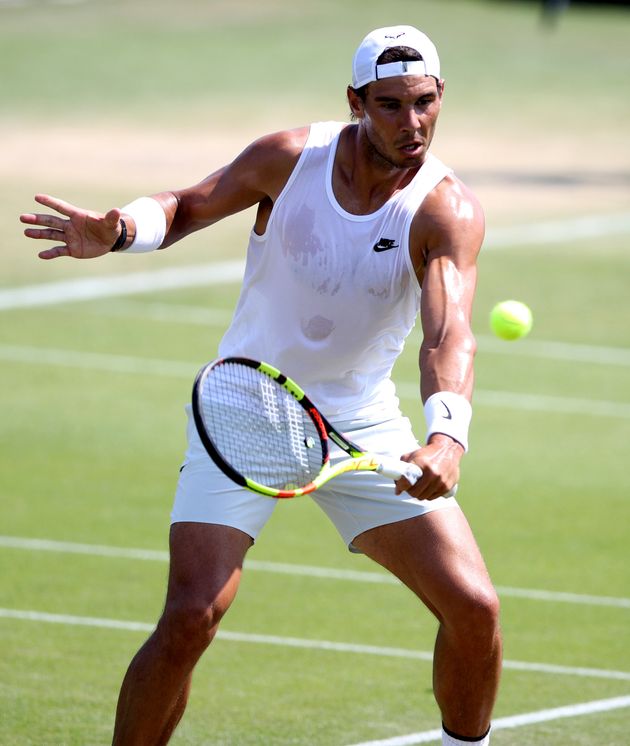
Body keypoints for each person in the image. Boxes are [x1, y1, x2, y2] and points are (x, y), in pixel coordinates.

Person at [20, 25, 502, 746]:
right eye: (391, 104)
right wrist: (120, 231)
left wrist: (446, 436)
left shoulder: (444, 209)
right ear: (355, 102)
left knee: (474, 609)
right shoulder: (290, 159)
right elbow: (189, 204)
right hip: (244, 406)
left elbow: (447, 332)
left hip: (360, 420)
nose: (412, 123)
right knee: (191, 617)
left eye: (425, 103)